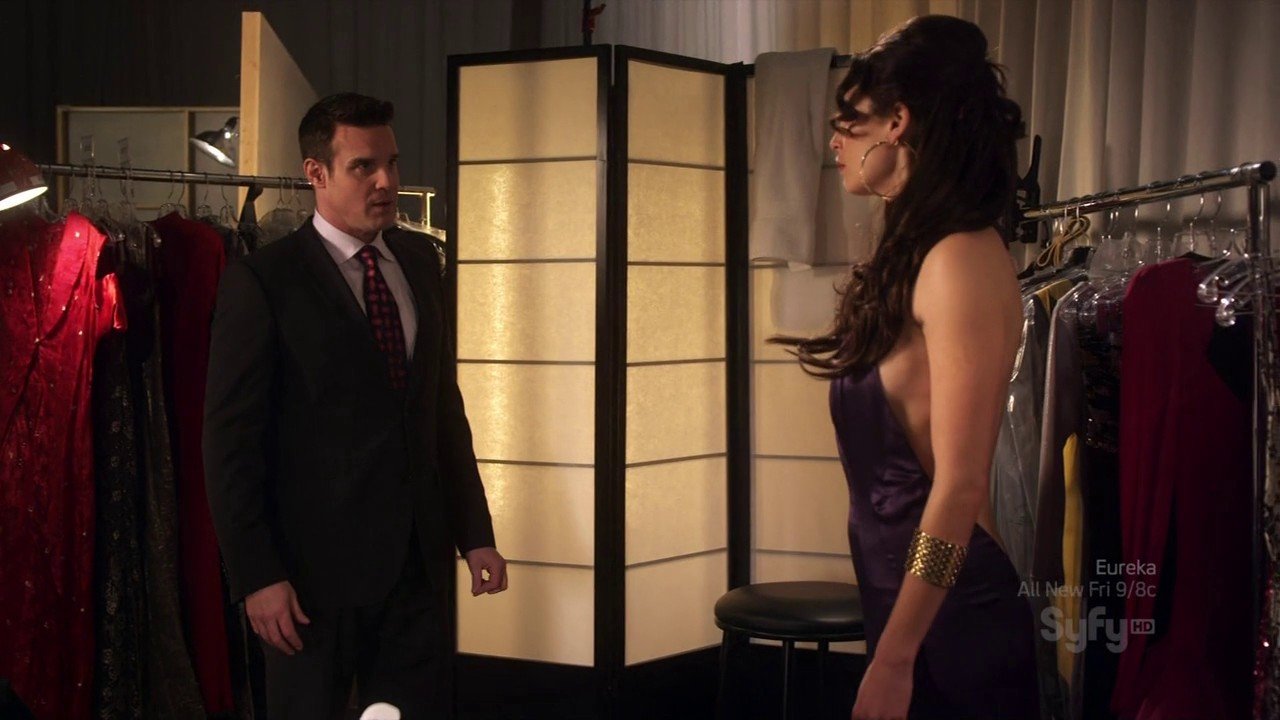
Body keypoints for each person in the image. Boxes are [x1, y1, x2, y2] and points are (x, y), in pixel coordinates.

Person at [203, 92, 508, 719]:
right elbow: (229, 444)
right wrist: (257, 575)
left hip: (415, 567)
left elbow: (440, 411)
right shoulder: (264, 281)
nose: (386, 182)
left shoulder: (419, 262)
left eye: (391, 163)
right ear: (316, 173)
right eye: (363, 167)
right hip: (309, 577)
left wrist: (475, 534)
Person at [772, 16, 1039, 720]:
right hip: (907, 610)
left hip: (954, 622)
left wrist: (894, 658)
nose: (834, 143)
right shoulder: (916, 254)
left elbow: (960, 487)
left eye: (848, 124)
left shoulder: (960, 259)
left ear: (897, 123)